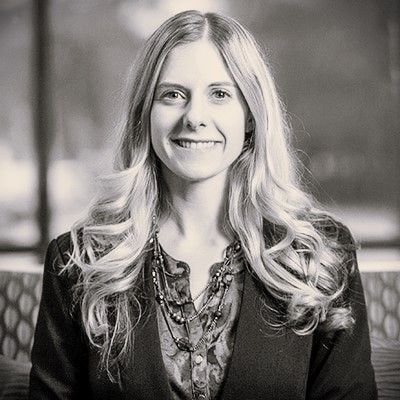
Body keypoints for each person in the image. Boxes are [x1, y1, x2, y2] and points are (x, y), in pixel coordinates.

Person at [29, 10, 377, 400]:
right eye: (172, 95)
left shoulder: (320, 255)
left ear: (250, 116)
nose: (195, 117)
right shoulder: (79, 262)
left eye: (220, 94)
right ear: (146, 114)